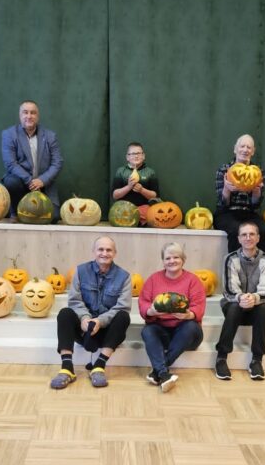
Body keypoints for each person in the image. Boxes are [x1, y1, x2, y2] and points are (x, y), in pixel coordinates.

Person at [50, 236, 131, 389]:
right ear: (94, 251)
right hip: (84, 329)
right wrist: (84, 319)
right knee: (65, 313)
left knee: (123, 316)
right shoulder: (80, 271)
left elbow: (122, 306)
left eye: (109, 250)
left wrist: (100, 321)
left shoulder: (124, 277)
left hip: (107, 332)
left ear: (115, 253)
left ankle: (99, 367)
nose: (104, 253)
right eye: (101, 249)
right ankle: (67, 368)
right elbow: (74, 300)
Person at [138, 242, 206, 392]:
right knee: (148, 331)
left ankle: (158, 370)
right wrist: (151, 312)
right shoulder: (153, 279)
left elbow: (199, 306)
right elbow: (143, 302)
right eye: (168, 258)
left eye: (176, 257)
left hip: (187, 335)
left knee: (190, 326)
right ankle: (163, 374)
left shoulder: (193, 280)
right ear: (163, 261)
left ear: (183, 260)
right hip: (162, 331)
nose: (172, 261)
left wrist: (189, 314)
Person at [214, 221, 265, 381]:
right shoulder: (230, 259)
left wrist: (253, 298)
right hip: (234, 305)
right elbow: (229, 289)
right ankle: (221, 357)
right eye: (244, 235)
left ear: (258, 238)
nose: (248, 238)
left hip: (256, 306)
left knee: (263, 309)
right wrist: (241, 298)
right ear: (239, 239)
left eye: (252, 234)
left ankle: (257, 360)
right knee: (234, 307)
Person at [1, 100, 62, 220]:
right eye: (25, 112)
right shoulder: (9, 134)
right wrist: (30, 181)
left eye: (33, 113)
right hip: (21, 183)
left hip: (44, 185)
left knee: (53, 217)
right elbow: (11, 163)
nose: (29, 116)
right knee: (11, 182)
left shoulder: (50, 136)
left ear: (37, 116)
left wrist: (42, 180)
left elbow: (57, 162)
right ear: (20, 115)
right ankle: (15, 212)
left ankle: (30, 212)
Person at [213, 134, 265, 253]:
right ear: (235, 149)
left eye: (249, 147)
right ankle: (234, 263)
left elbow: (256, 205)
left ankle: (259, 262)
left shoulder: (258, 172)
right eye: (242, 146)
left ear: (253, 151)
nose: (245, 150)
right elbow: (223, 203)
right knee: (236, 231)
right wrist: (227, 189)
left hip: (249, 213)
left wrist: (256, 192)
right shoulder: (224, 170)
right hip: (226, 213)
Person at [111, 141, 160, 224]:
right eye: (133, 154)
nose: (136, 156)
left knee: (148, 212)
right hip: (124, 210)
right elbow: (115, 195)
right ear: (127, 157)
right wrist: (128, 187)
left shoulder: (150, 172)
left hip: (144, 210)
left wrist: (142, 190)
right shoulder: (120, 171)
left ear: (143, 156)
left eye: (139, 153)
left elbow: (155, 196)